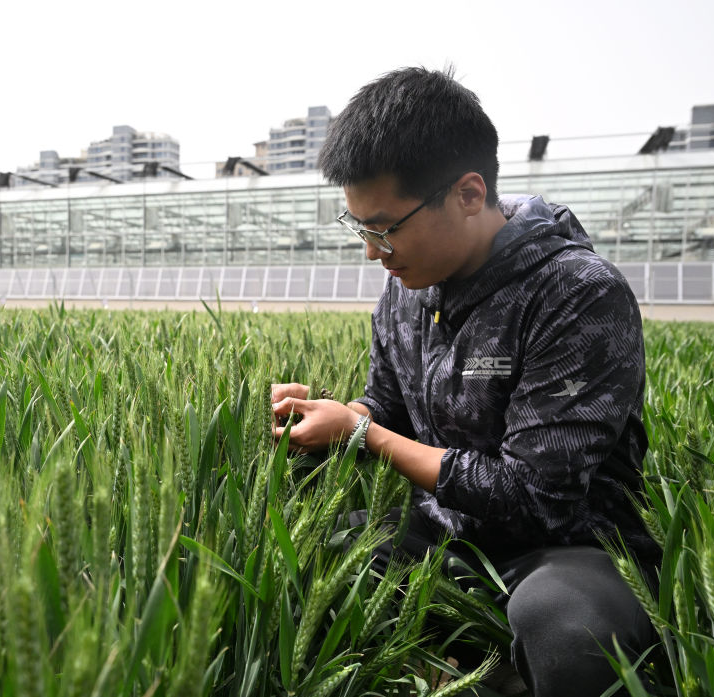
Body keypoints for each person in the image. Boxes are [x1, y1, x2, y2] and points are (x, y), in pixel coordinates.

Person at [271, 67, 659, 697]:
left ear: (469, 194)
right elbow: (387, 405)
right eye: (359, 227)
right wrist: (336, 416)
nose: (371, 251)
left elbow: (537, 496)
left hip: (566, 551)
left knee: (567, 629)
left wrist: (365, 436)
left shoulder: (577, 293)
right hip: (443, 535)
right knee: (310, 555)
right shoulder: (406, 290)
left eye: (384, 228)